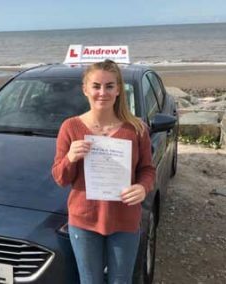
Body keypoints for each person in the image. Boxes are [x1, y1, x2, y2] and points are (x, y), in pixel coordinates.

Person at [52, 59, 156, 284]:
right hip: (84, 220)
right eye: (96, 86)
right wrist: (70, 157)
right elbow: (60, 177)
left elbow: (147, 169)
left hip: (125, 218)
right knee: (90, 281)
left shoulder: (136, 129)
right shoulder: (70, 127)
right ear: (85, 89)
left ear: (118, 89)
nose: (102, 92)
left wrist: (142, 187)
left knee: (121, 280)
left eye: (109, 86)